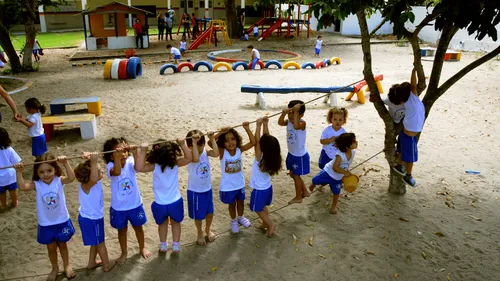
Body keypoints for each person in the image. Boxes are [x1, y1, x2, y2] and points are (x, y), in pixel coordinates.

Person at [14, 153, 76, 281]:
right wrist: (19, 172)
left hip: (61, 220)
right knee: (51, 248)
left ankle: (67, 265)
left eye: (49, 170)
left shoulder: (59, 180)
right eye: (42, 172)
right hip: (46, 223)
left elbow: (71, 178)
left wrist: (65, 163)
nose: (46, 174)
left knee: (63, 245)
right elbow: (22, 187)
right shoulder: (37, 184)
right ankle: (54, 268)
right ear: (37, 172)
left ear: (55, 169)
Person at [135, 139, 191, 253]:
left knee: (162, 224)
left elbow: (139, 168)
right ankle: (176, 245)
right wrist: (182, 144)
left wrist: (143, 151)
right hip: (175, 202)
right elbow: (189, 158)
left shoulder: (154, 166)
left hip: (160, 204)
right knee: (176, 223)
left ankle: (163, 245)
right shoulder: (175, 163)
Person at [103, 137, 151, 263]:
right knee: (122, 231)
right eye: (118, 151)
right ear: (111, 156)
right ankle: (124, 253)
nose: (123, 153)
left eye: (124, 150)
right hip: (119, 207)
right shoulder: (110, 166)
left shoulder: (130, 161)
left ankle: (142, 247)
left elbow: (138, 167)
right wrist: (117, 158)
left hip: (135, 204)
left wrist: (135, 152)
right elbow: (117, 172)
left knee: (138, 228)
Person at [74, 152, 116, 272]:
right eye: (98, 170)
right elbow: (93, 176)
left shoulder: (93, 182)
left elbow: (93, 174)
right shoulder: (87, 185)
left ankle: (91, 262)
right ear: (90, 176)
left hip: (93, 218)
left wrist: (90, 159)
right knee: (100, 242)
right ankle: (106, 265)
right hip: (92, 220)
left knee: (95, 241)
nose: (101, 170)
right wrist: (93, 162)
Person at [214, 122, 255, 233]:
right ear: (222, 143)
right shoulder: (222, 152)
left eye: (232, 139)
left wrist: (247, 128)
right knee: (232, 205)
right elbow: (210, 142)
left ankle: (241, 217)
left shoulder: (239, 150)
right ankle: (233, 220)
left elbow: (253, 142)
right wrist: (220, 132)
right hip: (228, 186)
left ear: (237, 140)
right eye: (226, 140)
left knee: (240, 202)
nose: (230, 142)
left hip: (239, 184)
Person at [389, 68, 425, 187]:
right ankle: (408, 175)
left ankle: (399, 165)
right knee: (411, 158)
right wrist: (414, 71)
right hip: (409, 137)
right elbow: (413, 84)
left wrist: (414, 71)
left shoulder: (409, 100)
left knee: (402, 151)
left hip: (406, 134)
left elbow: (413, 85)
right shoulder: (413, 96)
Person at [309, 133, 358, 214]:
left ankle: (334, 206)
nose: (356, 142)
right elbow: (334, 168)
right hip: (328, 172)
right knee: (315, 180)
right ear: (347, 146)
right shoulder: (340, 155)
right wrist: (345, 172)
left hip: (338, 177)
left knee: (336, 192)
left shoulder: (353, 152)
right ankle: (312, 186)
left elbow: (346, 165)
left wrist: (345, 173)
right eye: (354, 141)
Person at [186, 130, 219, 245]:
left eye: (201, 144)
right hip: (195, 191)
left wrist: (212, 138)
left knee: (210, 213)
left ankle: (208, 229)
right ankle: (199, 232)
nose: (201, 147)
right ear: (190, 146)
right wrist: (194, 144)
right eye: (197, 144)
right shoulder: (189, 154)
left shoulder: (205, 151)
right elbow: (195, 159)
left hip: (207, 189)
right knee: (199, 216)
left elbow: (216, 153)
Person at [250, 117, 282, 237]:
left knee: (258, 209)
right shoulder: (272, 156)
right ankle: (265, 222)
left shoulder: (260, 157)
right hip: (267, 188)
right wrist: (265, 124)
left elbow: (258, 142)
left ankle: (270, 224)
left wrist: (258, 126)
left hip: (260, 190)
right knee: (262, 207)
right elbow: (266, 140)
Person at [278, 100, 310, 204]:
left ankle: (298, 197)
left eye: (295, 113)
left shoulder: (302, 123)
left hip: (299, 156)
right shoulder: (288, 122)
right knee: (292, 174)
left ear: (301, 115)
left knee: (296, 175)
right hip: (291, 153)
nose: (291, 115)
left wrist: (295, 112)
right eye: (290, 113)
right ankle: (305, 191)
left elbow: (296, 126)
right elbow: (280, 122)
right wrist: (284, 113)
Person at [313, 107, 348, 192]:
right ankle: (321, 184)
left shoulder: (344, 132)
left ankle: (333, 185)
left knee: (334, 171)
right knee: (325, 170)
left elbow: (346, 146)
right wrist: (330, 139)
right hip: (326, 154)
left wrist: (339, 145)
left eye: (340, 119)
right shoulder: (327, 130)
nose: (337, 121)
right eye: (335, 119)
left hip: (336, 157)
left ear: (344, 121)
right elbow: (321, 141)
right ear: (330, 119)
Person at [0, 128, 22, 209]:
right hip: (10, 176)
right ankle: (15, 202)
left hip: (0, 178)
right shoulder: (9, 149)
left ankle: (4, 204)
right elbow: (17, 162)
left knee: (1, 193)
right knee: (12, 191)